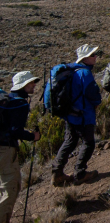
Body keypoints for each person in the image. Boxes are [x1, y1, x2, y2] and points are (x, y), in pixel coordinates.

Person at [52, 44, 102, 186]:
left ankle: (57, 172)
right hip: (83, 114)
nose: (95, 57)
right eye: (93, 55)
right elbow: (92, 94)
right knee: (89, 142)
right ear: (85, 58)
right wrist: (97, 102)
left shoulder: (71, 71)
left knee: (70, 141)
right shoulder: (84, 73)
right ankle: (80, 173)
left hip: (69, 114)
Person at [0, 72, 41, 223]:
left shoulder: (6, 101)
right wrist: (32, 136)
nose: (34, 85)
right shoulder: (20, 103)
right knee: (10, 189)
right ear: (23, 85)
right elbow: (15, 131)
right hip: (5, 151)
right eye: (31, 83)